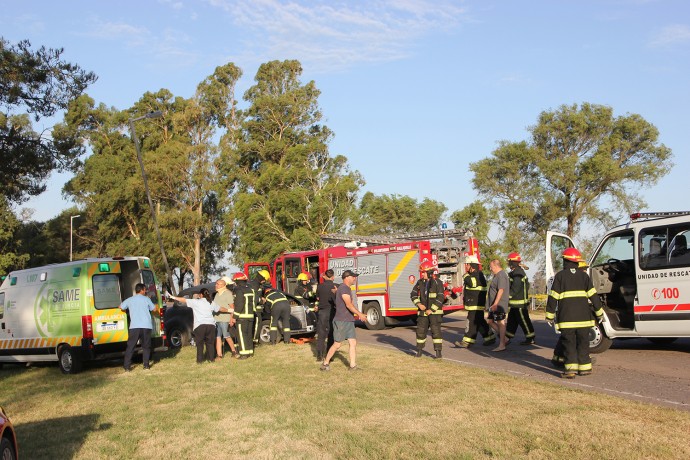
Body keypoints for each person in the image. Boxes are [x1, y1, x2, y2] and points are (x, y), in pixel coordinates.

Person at [546, 247, 604, 378]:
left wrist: (549, 315)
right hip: (584, 319)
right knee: (583, 343)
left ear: (565, 260)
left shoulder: (560, 276)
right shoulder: (584, 276)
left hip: (567, 319)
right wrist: (599, 313)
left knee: (569, 344)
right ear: (577, 262)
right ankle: (585, 368)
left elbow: (553, 297)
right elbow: (594, 296)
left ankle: (570, 370)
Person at [320, 270, 367, 371]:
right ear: (347, 277)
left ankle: (353, 366)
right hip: (342, 320)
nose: (355, 278)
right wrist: (360, 314)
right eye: (353, 277)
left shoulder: (343, 288)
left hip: (348, 320)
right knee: (337, 344)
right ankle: (325, 363)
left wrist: (336, 292)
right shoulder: (344, 288)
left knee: (353, 342)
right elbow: (348, 304)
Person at [169, 288, 222, 364]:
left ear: (201, 295)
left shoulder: (196, 302)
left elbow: (184, 300)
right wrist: (230, 310)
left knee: (200, 344)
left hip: (200, 325)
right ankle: (211, 359)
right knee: (210, 343)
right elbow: (220, 308)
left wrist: (173, 297)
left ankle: (200, 361)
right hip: (211, 325)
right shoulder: (211, 302)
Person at [454, 255, 495, 348]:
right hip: (475, 304)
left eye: (467, 265)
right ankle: (490, 337)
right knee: (479, 322)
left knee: (471, 322)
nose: (466, 266)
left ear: (471, 265)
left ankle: (467, 341)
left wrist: (465, 276)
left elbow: (473, 283)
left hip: (475, 304)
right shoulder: (476, 274)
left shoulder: (477, 274)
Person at [410, 262, 445, 359]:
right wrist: (419, 304)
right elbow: (413, 294)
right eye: (422, 272)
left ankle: (438, 353)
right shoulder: (420, 282)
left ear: (429, 272)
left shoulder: (437, 282)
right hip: (422, 313)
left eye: (424, 272)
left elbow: (441, 297)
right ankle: (419, 351)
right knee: (420, 332)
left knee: (436, 332)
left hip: (434, 313)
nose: (422, 274)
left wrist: (432, 309)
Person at [120, 283, 156, 371]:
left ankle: (127, 367)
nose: (145, 291)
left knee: (131, 346)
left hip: (134, 326)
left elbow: (121, 307)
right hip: (146, 326)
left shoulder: (130, 299)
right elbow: (154, 309)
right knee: (146, 346)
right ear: (142, 290)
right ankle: (146, 365)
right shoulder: (146, 299)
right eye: (145, 290)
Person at [505, 252, 536, 345]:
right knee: (512, 321)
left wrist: (507, 297)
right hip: (515, 304)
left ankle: (530, 338)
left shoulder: (518, 273)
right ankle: (507, 337)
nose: (508, 264)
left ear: (512, 262)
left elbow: (515, 288)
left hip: (519, 304)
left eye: (509, 262)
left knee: (524, 321)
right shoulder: (516, 272)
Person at [232, 272, 257, 359]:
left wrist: (235, 317)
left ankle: (243, 354)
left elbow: (239, 304)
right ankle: (250, 352)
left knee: (242, 335)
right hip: (250, 316)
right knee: (249, 335)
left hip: (242, 317)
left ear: (237, 281)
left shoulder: (238, 290)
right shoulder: (250, 289)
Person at [213, 276, 239, 359]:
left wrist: (232, 319)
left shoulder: (228, 293)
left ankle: (234, 351)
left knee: (226, 336)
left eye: (218, 284)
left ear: (223, 285)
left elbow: (232, 307)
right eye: (216, 284)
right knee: (217, 337)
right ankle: (219, 355)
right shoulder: (217, 294)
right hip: (217, 319)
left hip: (225, 319)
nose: (216, 285)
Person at [486, 259, 509, 352]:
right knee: (490, 321)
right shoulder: (496, 276)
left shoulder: (502, 275)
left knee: (501, 323)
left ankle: (502, 344)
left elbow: (501, 290)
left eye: (491, 267)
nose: (490, 269)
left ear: (496, 266)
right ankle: (505, 338)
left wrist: (495, 303)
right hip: (493, 305)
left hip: (499, 304)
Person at [315, 269, 337, 361]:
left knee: (321, 334)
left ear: (325, 276)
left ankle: (319, 356)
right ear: (333, 277)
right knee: (331, 334)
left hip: (322, 312)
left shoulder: (320, 286)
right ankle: (329, 355)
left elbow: (317, 297)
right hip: (332, 312)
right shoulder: (336, 286)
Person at [250, 269, 270, 347]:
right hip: (255, 309)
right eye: (264, 280)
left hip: (255, 309)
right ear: (262, 278)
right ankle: (255, 342)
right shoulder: (255, 285)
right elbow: (254, 298)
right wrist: (262, 301)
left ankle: (254, 341)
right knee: (257, 325)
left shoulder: (254, 283)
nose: (264, 281)